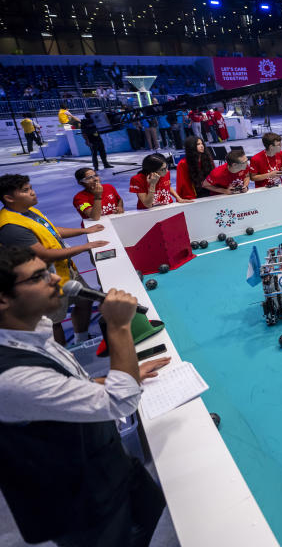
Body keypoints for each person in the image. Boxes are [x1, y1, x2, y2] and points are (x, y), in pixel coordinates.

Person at [0, 246, 169, 547]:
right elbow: (121, 401)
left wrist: (124, 375)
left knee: (151, 509)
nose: (56, 280)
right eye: (38, 277)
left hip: (109, 463)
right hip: (78, 501)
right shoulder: (10, 376)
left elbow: (70, 383)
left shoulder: (31, 329)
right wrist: (118, 326)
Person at [0, 174, 108, 345]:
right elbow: (43, 255)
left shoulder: (29, 211)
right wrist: (86, 246)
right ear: (9, 198)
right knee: (53, 321)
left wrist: (85, 231)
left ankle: (81, 339)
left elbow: (51, 229)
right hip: (46, 279)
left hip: (66, 271)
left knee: (84, 300)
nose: (33, 193)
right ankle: (63, 354)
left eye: (31, 188)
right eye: (26, 190)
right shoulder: (11, 227)